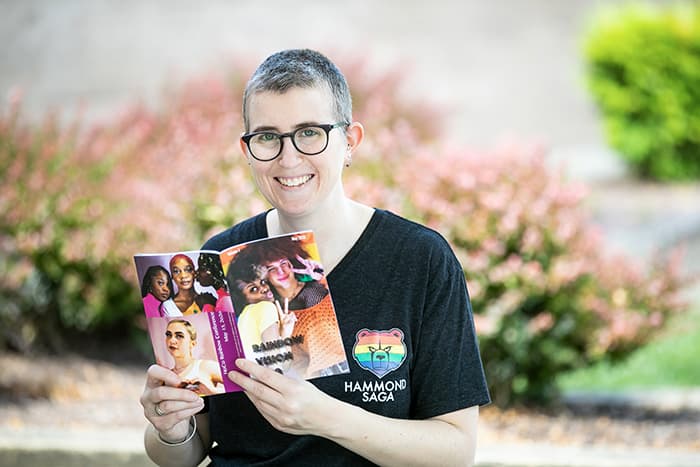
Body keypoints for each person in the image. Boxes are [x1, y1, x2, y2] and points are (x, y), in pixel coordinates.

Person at [140, 49, 490, 466]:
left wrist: (326, 418)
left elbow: (455, 452)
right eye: (268, 136)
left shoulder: (420, 260)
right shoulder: (218, 262)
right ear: (247, 149)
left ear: (350, 141)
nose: (288, 159)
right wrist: (172, 428)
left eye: (310, 133)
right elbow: (184, 452)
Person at [226, 253, 297, 373]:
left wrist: (285, 334)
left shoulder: (244, 317)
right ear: (242, 299)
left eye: (263, 282)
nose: (263, 289)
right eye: (253, 289)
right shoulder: (265, 307)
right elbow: (277, 367)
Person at [163, 318, 225, 396]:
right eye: (168, 335)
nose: (171, 340)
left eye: (179, 336)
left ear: (192, 344)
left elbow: (239, 387)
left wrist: (212, 392)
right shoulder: (165, 376)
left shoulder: (206, 366)